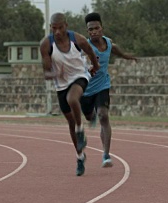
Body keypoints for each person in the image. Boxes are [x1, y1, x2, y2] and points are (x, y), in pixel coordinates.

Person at [40, 12, 100, 176]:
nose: (57, 32)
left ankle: (81, 130)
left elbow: (90, 51)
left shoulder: (77, 39)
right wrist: (55, 74)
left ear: (66, 25)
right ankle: (80, 157)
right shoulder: (46, 44)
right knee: (70, 123)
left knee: (72, 99)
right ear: (51, 28)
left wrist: (95, 66)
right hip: (61, 84)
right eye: (54, 28)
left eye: (60, 28)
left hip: (80, 76)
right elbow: (46, 73)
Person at [80, 12, 137, 168]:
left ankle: (106, 154)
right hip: (85, 90)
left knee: (103, 115)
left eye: (96, 28)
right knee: (89, 116)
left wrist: (127, 56)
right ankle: (90, 116)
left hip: (102, 86)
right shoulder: (84, 46)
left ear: (102, 29)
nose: (93, 32)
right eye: (90, 29)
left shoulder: (108, 43)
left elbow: (116, 50)